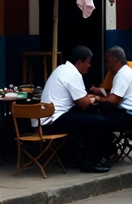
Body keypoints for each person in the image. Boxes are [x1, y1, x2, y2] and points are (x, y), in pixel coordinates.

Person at [39, 44, 115, 173]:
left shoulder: (61, 69)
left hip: (47, 116)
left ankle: (80, 156)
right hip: (55, 119)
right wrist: (92, 98)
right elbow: (84, 104)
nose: (89, 66)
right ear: (79, 62)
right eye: (88, 63)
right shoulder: (73, 74)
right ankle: (89, 162)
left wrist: (86, 98)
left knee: (91, 118)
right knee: (98, 121)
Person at [90, 47, 132, 135]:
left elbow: (113, 100)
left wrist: (97, 98)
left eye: (108, 60)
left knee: (97, 122)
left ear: (116, 60)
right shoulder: (124, 72)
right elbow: (114, 97)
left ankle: (104, 147)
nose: (106, 63)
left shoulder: (122, 74)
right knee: (100, 119)